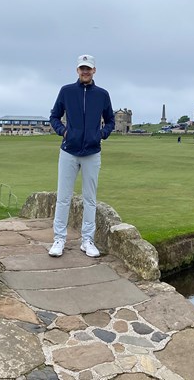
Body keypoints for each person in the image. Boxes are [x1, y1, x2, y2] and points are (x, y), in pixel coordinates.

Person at [48, 54, 115, 258]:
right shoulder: (66, 91)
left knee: (90, 199)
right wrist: (64, 131)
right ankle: (59, 239)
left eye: (88, 68)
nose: (85, 72)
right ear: (77, 70)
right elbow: (54, 116)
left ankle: (87, 240)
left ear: (94, 70)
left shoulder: (102, 94)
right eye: (82, 68)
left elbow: (110, 120)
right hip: (69, 151)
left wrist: (101, 134)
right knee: (63, 198)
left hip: (92, 152)